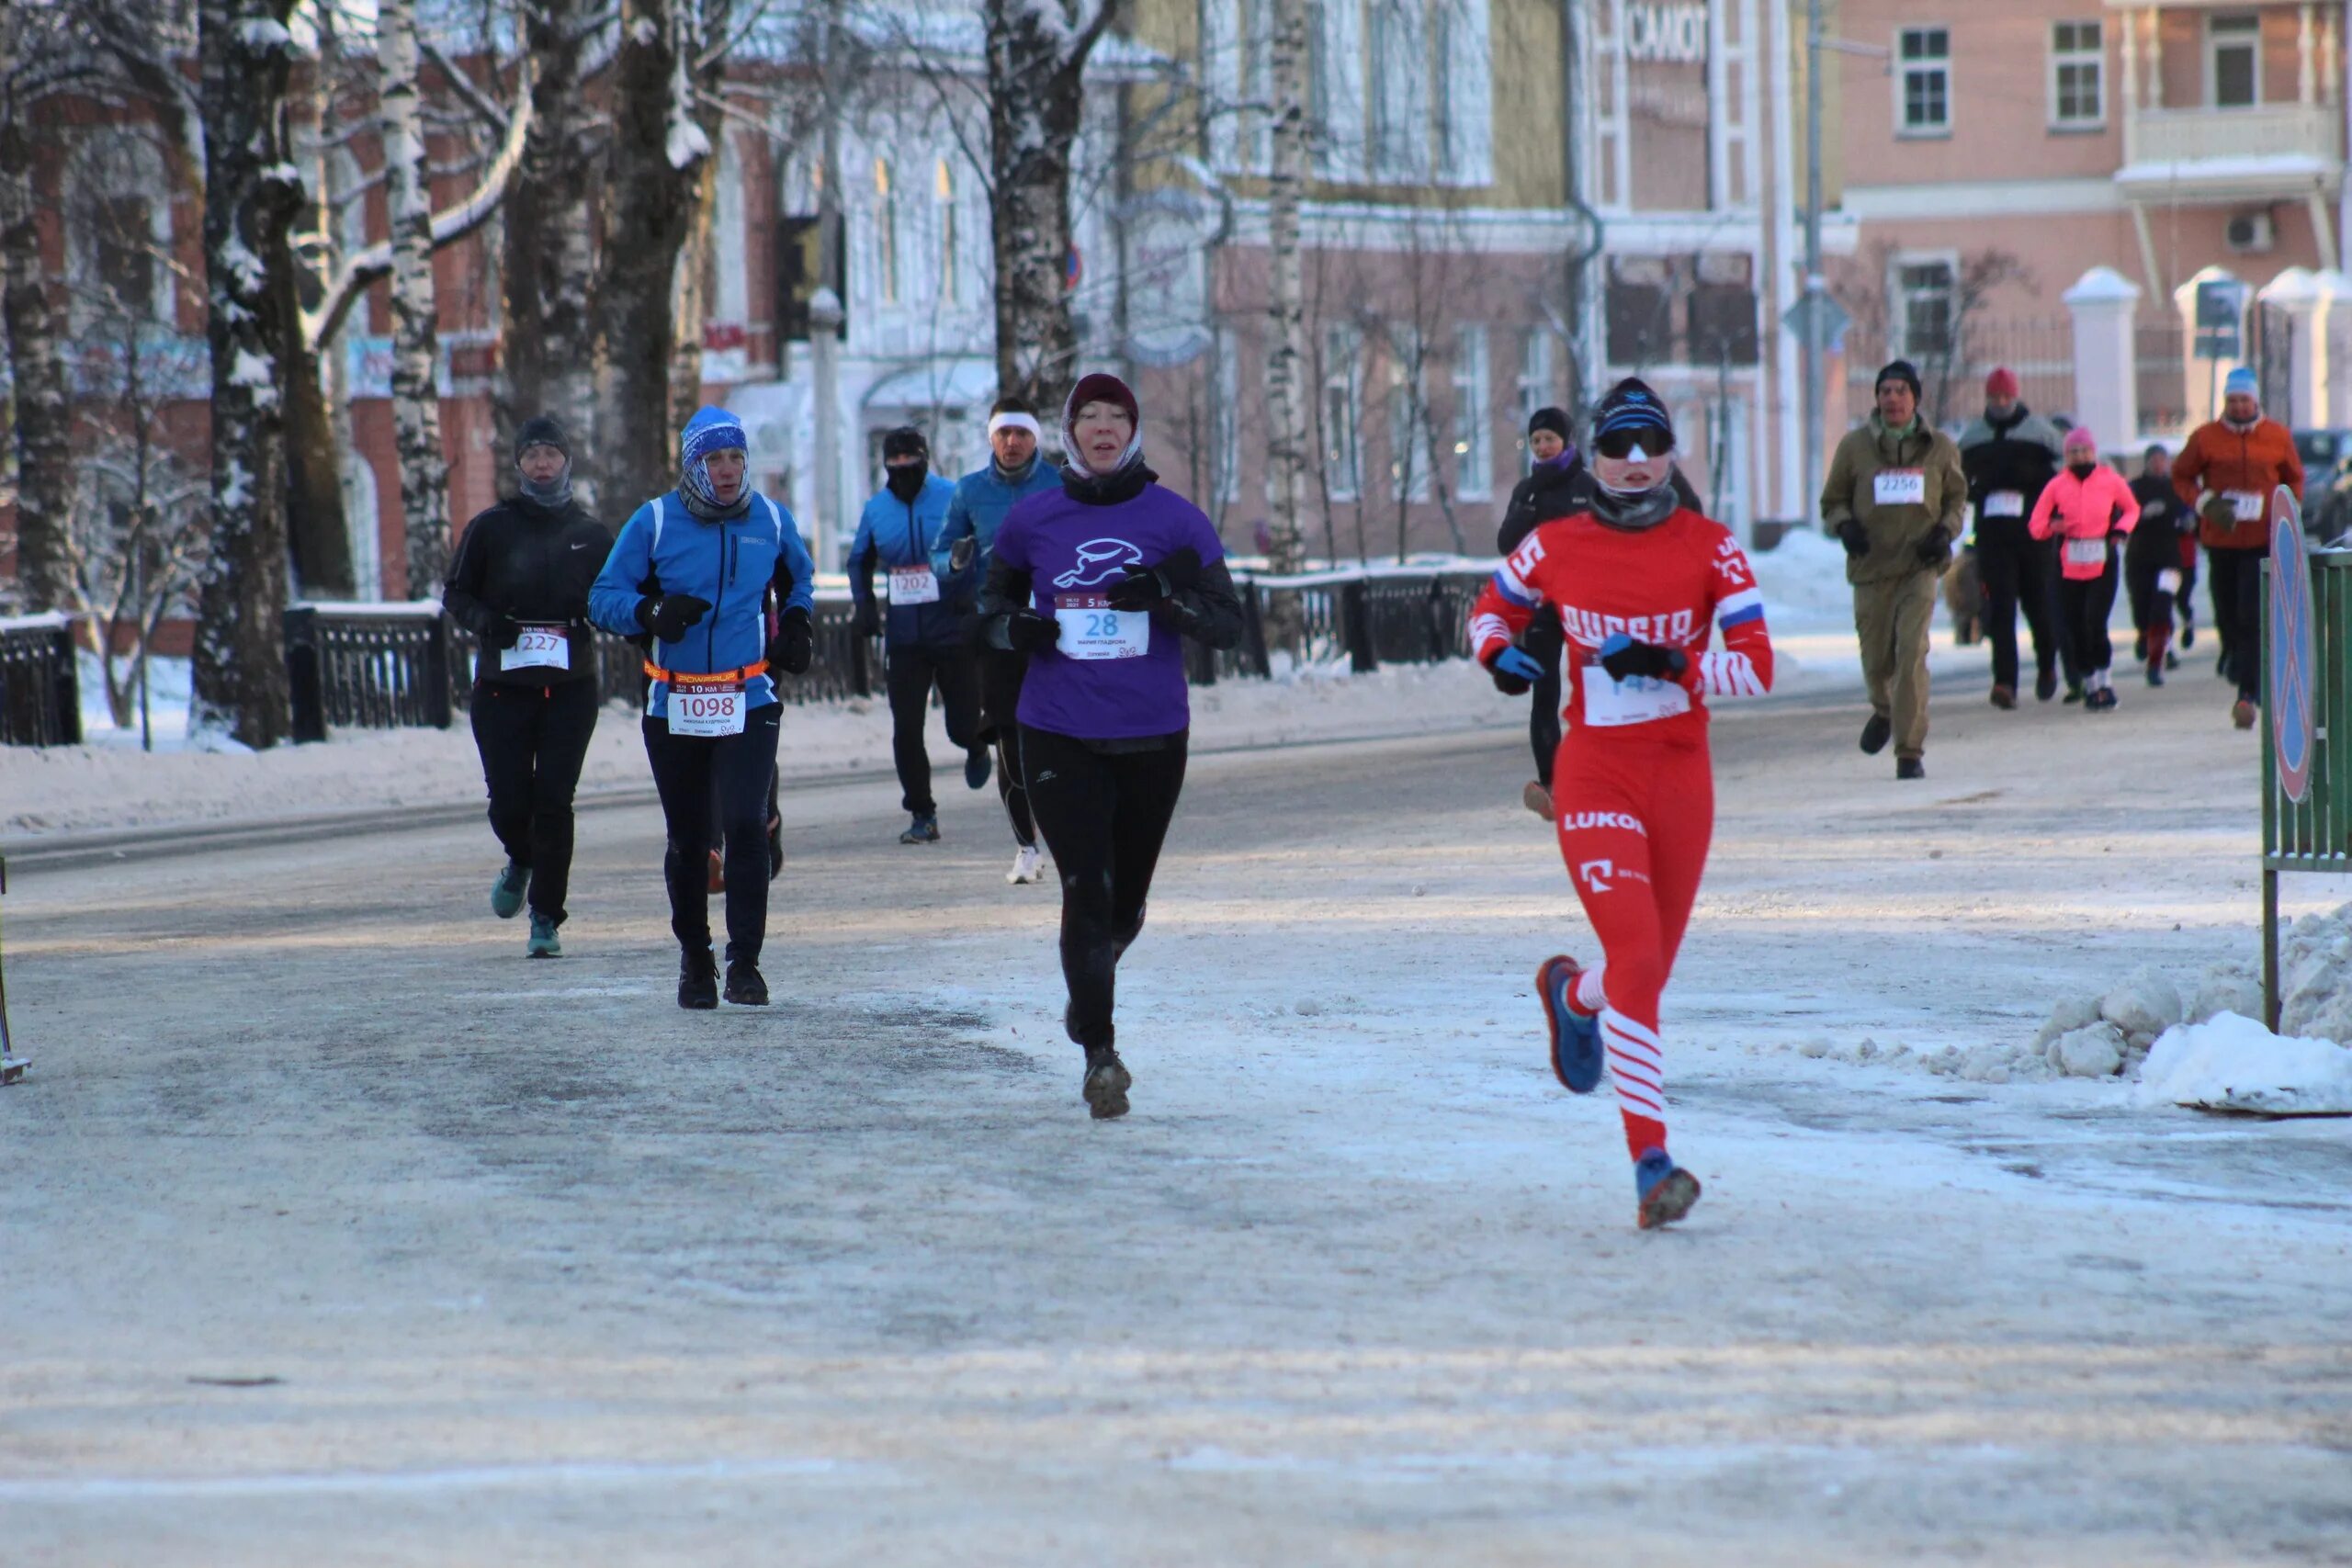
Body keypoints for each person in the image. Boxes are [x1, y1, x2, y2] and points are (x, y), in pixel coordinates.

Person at [1469, 378, 1774, 1230]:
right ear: (1595, 457)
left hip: (1679, 776)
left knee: (1644, 973)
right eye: (1618, 447)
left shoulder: (1714, 547)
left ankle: (1574, 997)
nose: (1636, 463)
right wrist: (1500, 655)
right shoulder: (1557, 542)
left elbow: (1755, 665)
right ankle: (1651, 1161)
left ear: (1672, 455)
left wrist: (1675, 665)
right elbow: (1490, 612)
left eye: (1651, 446)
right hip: (1595, 772)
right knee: (1638, 958)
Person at [975, 372, 1243, 1120]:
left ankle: (1088, 984)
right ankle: (1100, 1051)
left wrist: (1165, 596)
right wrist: (1013, 629)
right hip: (1057, 727)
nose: (1101, 426)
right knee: (1084, 889)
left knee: (1126, 905)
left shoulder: (1177, 521)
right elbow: (987, 610)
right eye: (1087, 414)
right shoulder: (1033, 521)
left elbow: (1228, 621)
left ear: (1133, 430)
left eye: (1115, 415)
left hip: (1154, 732)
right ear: (1070, 431)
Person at [589, 406, 815, 1010]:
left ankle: (746, 963)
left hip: (748, 695)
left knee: (744, 822)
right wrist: (649, 613)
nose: (727, 470)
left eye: (736, 457)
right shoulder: (656, 522)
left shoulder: (769, 517)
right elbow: (602, 596)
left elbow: (801, 574)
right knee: (690, 839)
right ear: (692, 463)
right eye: (713, 459)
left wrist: (796, 620)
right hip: (676, 699)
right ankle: (696, 958)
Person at [440, 416, 613, 958]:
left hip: (570, 688)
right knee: (510, 802)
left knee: (555, 803)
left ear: (567, 462)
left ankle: (545, 916)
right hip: (501, 688)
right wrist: (490, 622)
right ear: (518, 464)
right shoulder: (492, 528)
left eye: (551, 455)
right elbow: (456, 594)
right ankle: (521, 857)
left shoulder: (590, 536)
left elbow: (615, 598)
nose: (542, 464)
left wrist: (597, 617)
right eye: (532, 455)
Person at [1496, 406, 1701, 819]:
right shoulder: (1526, 491)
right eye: (1536, 441)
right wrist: (1523, 514)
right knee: (1545, 693)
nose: (1543, 446)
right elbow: (1506, 544)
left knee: (1602, 689)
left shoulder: (1585, 486)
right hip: (1540, 605)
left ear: (1566, 441)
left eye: (1549, 438)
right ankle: (1552, 785)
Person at [934, 396, 1061, 883]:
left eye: (1022, 434)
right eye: (1004, 434)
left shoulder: (1059, 483)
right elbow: (939, 555)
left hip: (1054, 628)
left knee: (1057, 738)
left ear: (1036, 439)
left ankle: (1066, 831)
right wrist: (955, 562)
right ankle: (1026, 846)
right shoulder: (969, 492)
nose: (1012, 442)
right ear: (991, 439)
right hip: (998, 630)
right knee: (1010, 736)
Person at [1822, 359, 1965, 780]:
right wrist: (1844, 526)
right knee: (1876, 663)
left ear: (1915, 399)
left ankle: (1909, 750)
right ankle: (1884, 711)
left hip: (1918, 567)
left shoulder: (1939, 447)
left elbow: (1957, 500)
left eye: (1902, 390)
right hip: (1871, 568)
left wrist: (1944, 532)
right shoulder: (1854, 448)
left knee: (1911, 654)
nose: (1893, 398)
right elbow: (1832, 501)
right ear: (1877, 399)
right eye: (1886, 391)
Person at [851, 426, 985, 843]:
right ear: (887, 467)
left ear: (925, 461)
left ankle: (976, 745)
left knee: (962, 726)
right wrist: (866, 606)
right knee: (906, 728)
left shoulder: (952, 495)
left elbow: (978, 547)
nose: (904, 472)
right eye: (896, 466)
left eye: (912, 464)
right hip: (905, 637)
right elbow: (859, 561)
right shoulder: (876, 510)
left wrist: (972, 595)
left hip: (953, 629)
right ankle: (922, 813)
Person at [2173, 367, 2304, 728]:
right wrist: (2203, 503)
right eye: (2232, 400)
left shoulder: (2276, 436)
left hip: (2262, 540)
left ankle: (2247, 692)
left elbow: (2293, 477)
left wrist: (2287, 511)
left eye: (2244, 399)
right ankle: (2232, 653)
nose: (2239, 406)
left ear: (2255, 400)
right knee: (2226, 609)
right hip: (2222, 537)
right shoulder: (2206, 438)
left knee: (2251, 611)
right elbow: (2181, 475)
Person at [1957, 367, 2074, 707]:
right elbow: (1956, 478)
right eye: (1995, 398)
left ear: (2017, 395)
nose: (2001, 403)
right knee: (2000, 607)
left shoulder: (2040, 432)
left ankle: (2047, 666)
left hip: (2035, 535)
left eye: (2007, 397)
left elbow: (2067, 471)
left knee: (2038, 605)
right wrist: (1971, 492)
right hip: (1992, 537)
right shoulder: (1974, 437)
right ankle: (2005, 682)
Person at [2028, 428, 2139, 712]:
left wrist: (2120, 531)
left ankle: (2106, 683)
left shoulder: (2110, 480)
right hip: (2068, 565)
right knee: (2076, 628)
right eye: (2073, 452)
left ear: (2093, 452)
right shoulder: (2056, 486)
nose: (2080, 456)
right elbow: (2035, 524)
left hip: (2102, 560)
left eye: (2084, 451)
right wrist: (2053, 526)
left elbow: (2131, 509)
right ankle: (2089, 685)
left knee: (2096, 623)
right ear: (2066, 457)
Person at [2124, 444, 2191, 684]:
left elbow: (2189, 512)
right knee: (2142, 608)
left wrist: (2188, 522)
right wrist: (2141, 515)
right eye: (2154, 459)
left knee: (2162, 606)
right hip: (2140, 558)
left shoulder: (2177, 487)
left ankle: (2156, 662)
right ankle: (2144, 635)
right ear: (2147, 462)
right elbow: (2122, 517)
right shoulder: (2135, 487)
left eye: (2163, 459)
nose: (2158, 463)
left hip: (2169, 559)